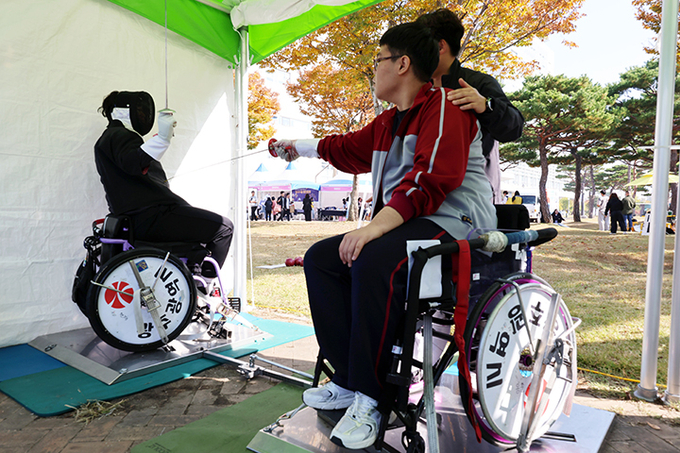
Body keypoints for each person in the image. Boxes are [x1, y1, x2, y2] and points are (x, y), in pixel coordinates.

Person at [269, 22, 496, 450]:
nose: (374, 69)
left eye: (378, 60)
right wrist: (296, 146)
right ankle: (348, 379)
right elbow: (344, 148)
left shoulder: (445, 108)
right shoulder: (388, 122)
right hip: (411, 223)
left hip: (457, 225)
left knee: (374, 259)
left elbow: (430, 181)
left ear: (402, 63)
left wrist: (372, 228)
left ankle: (373, 398)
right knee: (322, 259)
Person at [94, 91, 233, 278]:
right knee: (224, 229)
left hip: (140, 218)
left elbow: (133, 164)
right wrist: (161, 140)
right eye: (139, 111)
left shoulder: (110, 138)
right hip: (150, 217)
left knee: (199, 232)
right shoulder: (118, 134)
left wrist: (156, 142)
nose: (143, 115)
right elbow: (133, 162)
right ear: (123, 110)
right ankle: (204, 282)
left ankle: (192, 271)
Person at [415, 9, 524, 204]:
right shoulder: (417, 90)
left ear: (440, 46)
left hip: (474, 199)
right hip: (426, 194)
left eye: (419, 46)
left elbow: (515, 127)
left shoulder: (478, 83)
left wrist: (486, 105)